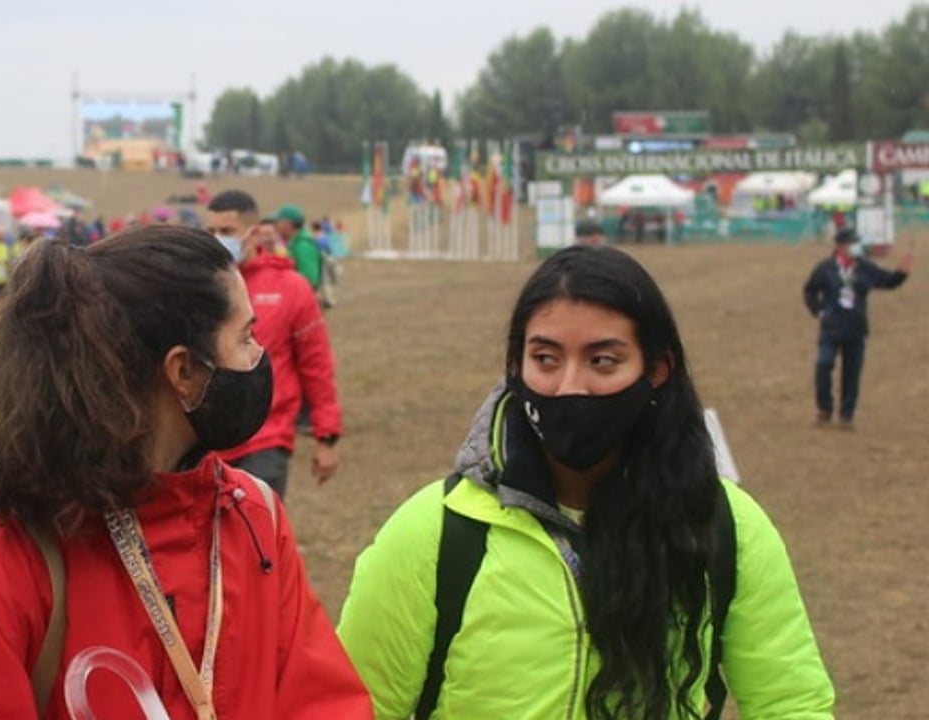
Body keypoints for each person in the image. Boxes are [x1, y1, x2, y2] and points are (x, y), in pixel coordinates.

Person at [0, 228, 371, 720]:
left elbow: (323, 704)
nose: (258, 356)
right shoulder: (5, 562)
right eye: (245, 337)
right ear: (183, 372)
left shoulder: (253, 518)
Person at [337, 245, 834, 719]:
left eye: (602, 361)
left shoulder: (724, 527)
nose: (569, 386)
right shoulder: (434, 534)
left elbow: (791, 705)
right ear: (515, 366)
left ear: (657, 370)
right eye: (546, 359)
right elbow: (350, 709)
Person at [205, 191, 342, 498]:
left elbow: (316, 362)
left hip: (266, 440)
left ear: (253, 233)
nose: (216, 240)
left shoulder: (291, 288)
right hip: (204, 444)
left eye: (226, 231)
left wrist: (327, 435)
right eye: (210, 231)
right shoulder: (197, 287)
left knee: (256, 526)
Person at [803, 227, 912, 428]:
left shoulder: (865, 268)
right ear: (840, 246)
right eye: (852, 243)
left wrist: (901, 274)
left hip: (855, 328)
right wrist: (819, 311)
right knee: (824, 365)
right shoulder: (825, 268)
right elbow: (810, 291)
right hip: (831, 329)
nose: (856, 247)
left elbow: (887, 281)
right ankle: (824, 409)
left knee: (852, 374)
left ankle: (847, 415)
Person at [273, 204, 323, 292]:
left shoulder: (303, 246)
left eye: (278, 222)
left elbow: (309, 280)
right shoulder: (294, 244)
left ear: (288, 224)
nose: (276, 226)